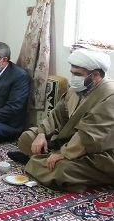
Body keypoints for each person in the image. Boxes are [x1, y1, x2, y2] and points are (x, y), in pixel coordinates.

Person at [7, 49, 114, 193]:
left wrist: (64, 154)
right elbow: (57, 115)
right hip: (70, 141)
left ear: (95, 75)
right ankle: (43, 163)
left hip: (98, 152)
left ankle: (40, 163)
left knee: (62, 168)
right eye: (72, 73)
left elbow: (90, 135)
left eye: (78, 74)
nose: (73, 77)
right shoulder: (78, 88)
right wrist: (41, 134)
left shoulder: (109, 96)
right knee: (27, 138)